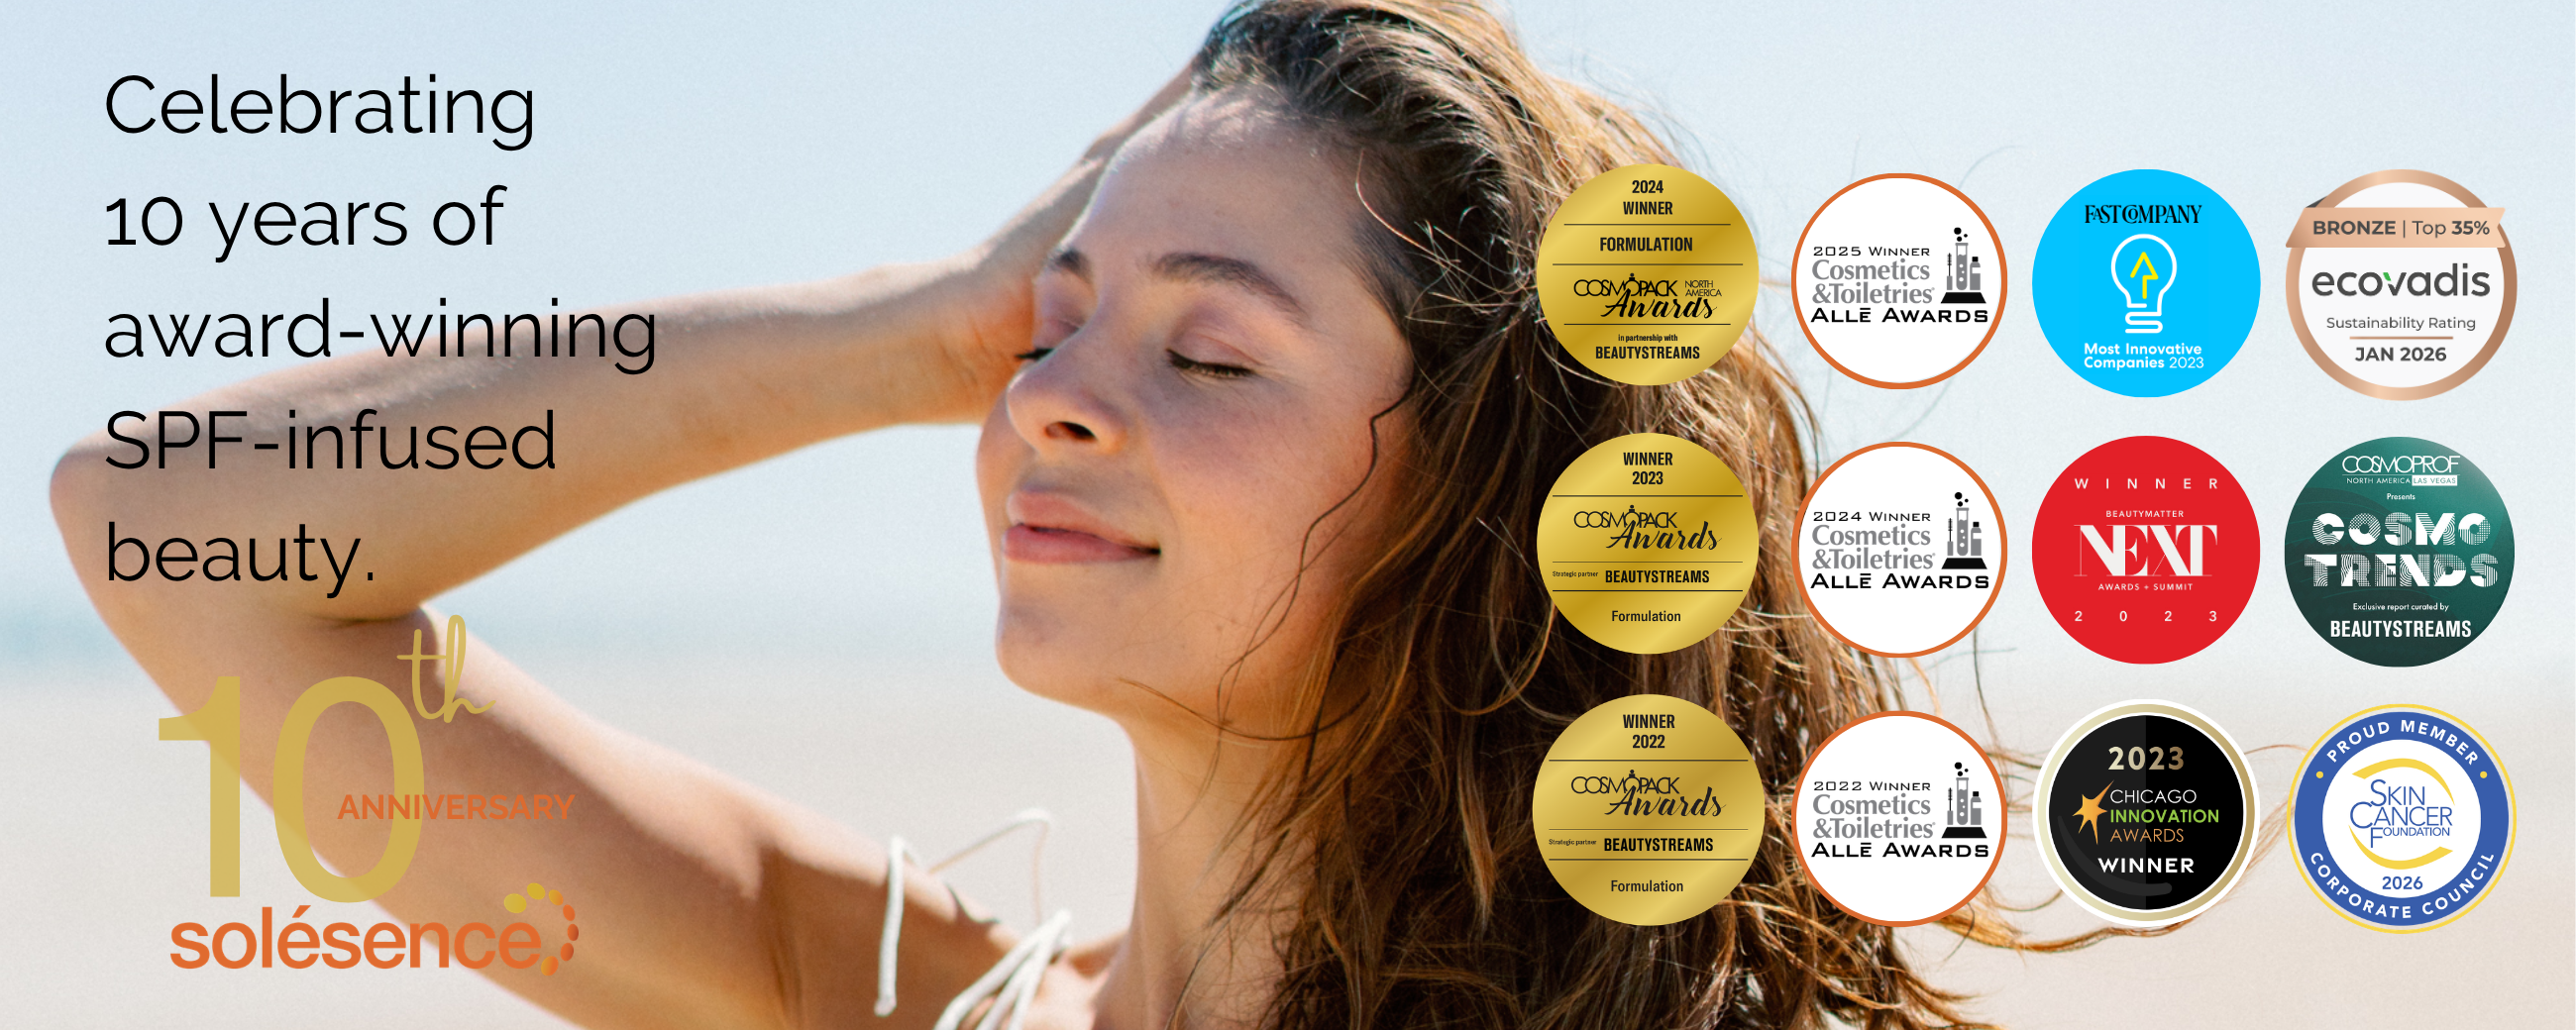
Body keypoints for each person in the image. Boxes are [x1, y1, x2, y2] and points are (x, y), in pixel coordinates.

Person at [54, 2, 2001, 1026]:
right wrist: (910, 328)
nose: (1052, 395)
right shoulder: (881, 992)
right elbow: (168, 531)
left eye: (1211, 355)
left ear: (1488, 495)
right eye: (1049, 323)